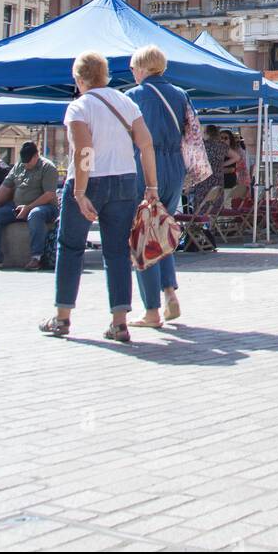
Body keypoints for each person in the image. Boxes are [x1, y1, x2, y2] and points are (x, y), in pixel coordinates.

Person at [39, 51, 158, 342]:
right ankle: (119, 322)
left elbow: (84, 151)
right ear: (105, 75)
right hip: (124, 180)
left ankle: (63, 316)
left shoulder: (79, 107)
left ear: (79, 79)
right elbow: (146, 143)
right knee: (117, 251)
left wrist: (79, 192)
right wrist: (152, 186)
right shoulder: (126, 102)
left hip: (88, 181)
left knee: (70, 248)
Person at [125, 45, 189, 329]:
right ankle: (170, 292)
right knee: (162, 228)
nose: (131, 72)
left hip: (146, 164)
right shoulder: (181, 95)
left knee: (143, 234)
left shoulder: (133, 97)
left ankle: (151, 310)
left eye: (133, 67)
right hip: (175, 166)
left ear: (142, 67)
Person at [0, 142, 59, 271]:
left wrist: (29, 207)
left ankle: (36, 258)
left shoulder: (48, 167)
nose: (25, 164)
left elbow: (49, 195)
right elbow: (6, 186)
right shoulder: (19, 165)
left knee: (35, 214)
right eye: (23, 161)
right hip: (18, 206)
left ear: (36, 155)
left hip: (44, 207)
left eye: (28, 161)